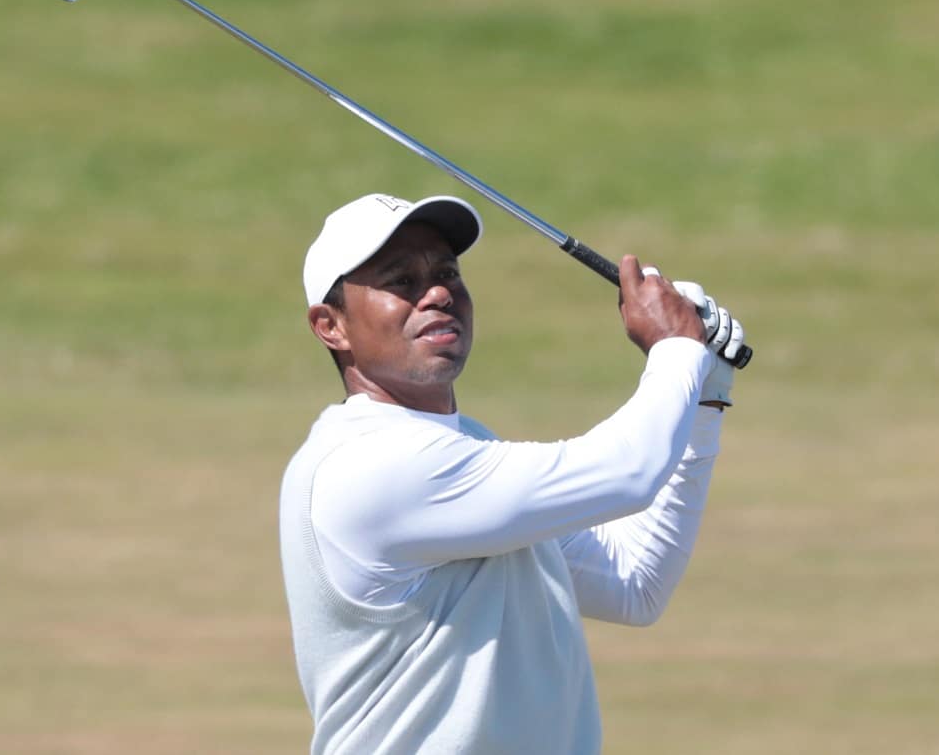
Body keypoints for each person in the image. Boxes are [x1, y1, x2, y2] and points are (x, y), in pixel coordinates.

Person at [279, 192, 745, 755]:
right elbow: (629, 471)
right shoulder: (370, 467)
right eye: (401, 281)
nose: (438, 293)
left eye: (447, 271)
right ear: (331, 326)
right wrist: (677, 350)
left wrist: (703, 401)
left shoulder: (468, 447)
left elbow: (634, 582)